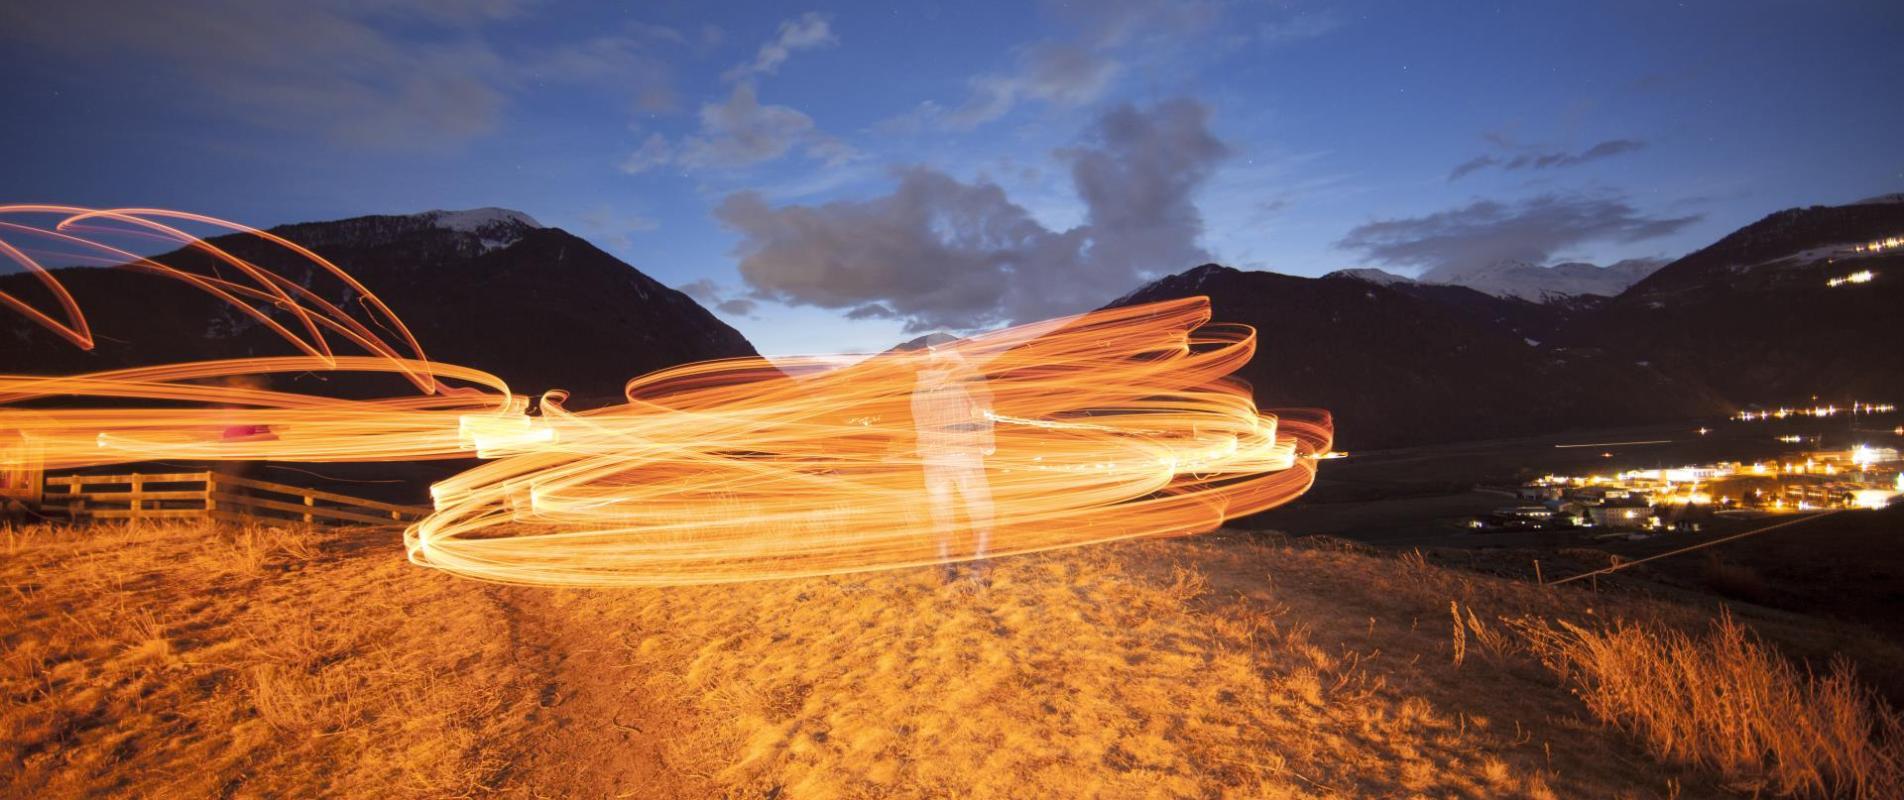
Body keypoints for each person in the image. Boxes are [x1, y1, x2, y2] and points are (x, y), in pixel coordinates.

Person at [910, 346, 996, 583]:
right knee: (982, 511)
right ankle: (979, 567)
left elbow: (918, 421)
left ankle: (946, 567)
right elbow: (983, 412)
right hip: (964, 454)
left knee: (941, 514)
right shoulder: (967, 377)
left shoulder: (921, 384)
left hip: (932, 458)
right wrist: (987, 443)